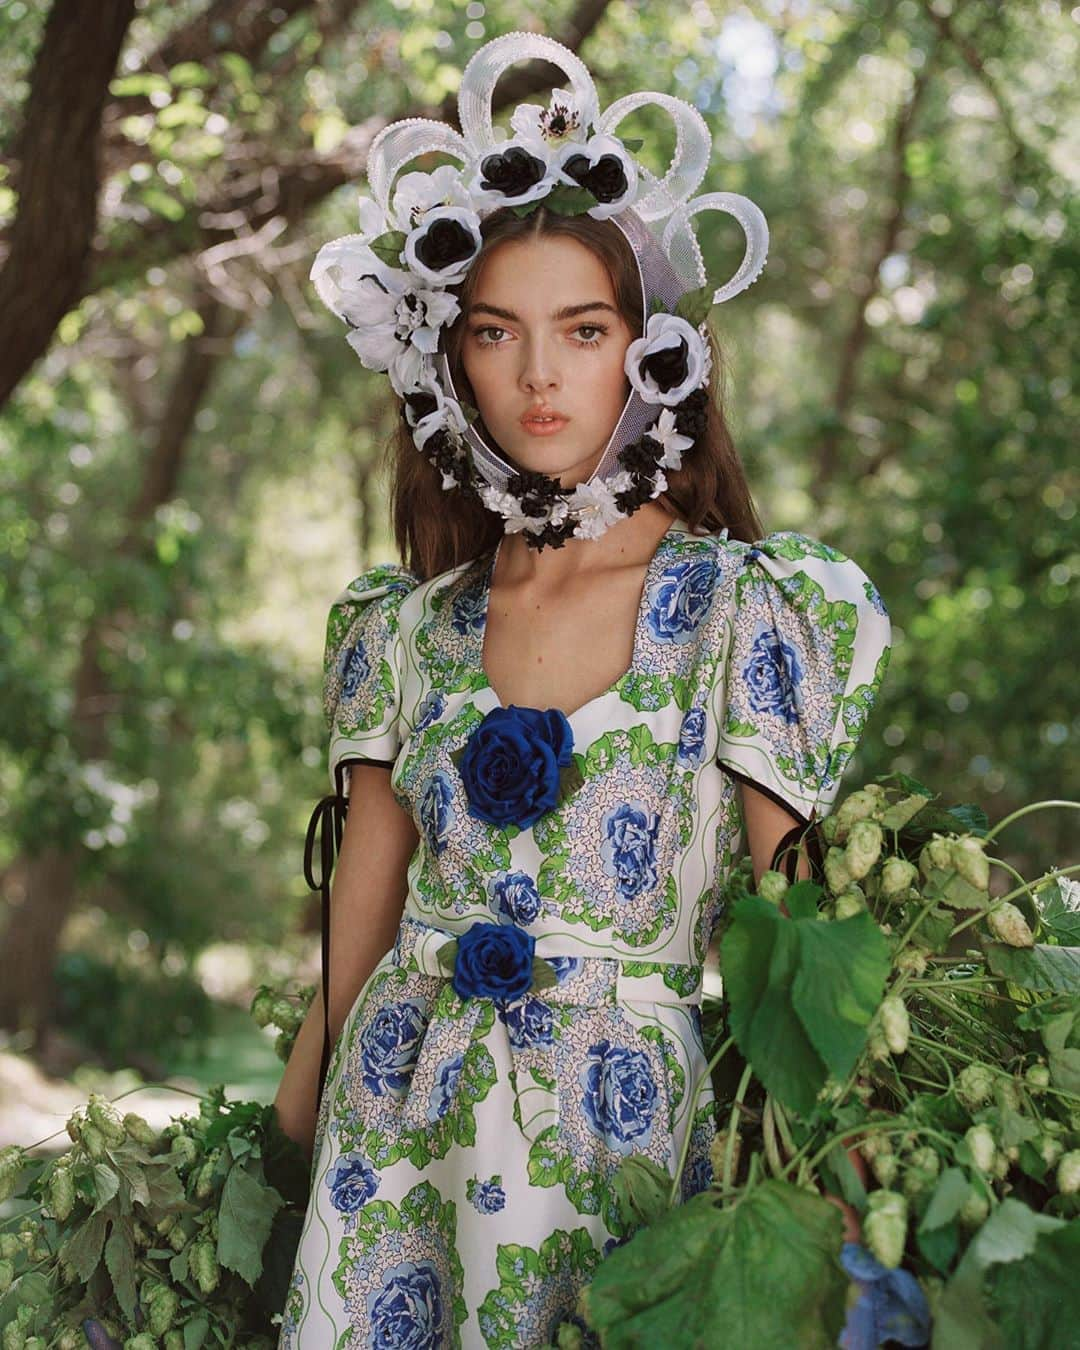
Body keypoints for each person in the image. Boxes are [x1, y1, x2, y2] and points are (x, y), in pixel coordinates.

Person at [272, 33, 892, 1347]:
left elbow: (795, 945)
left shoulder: (743, 609)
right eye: (496, 333)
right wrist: (269, 1163)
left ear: (648, 351)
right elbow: (357, 931)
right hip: (395, 1133)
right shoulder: (407, 628)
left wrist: (857, 1179)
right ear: (451, 355)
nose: (538, 375)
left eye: (583, 329)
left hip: (615, 1146)